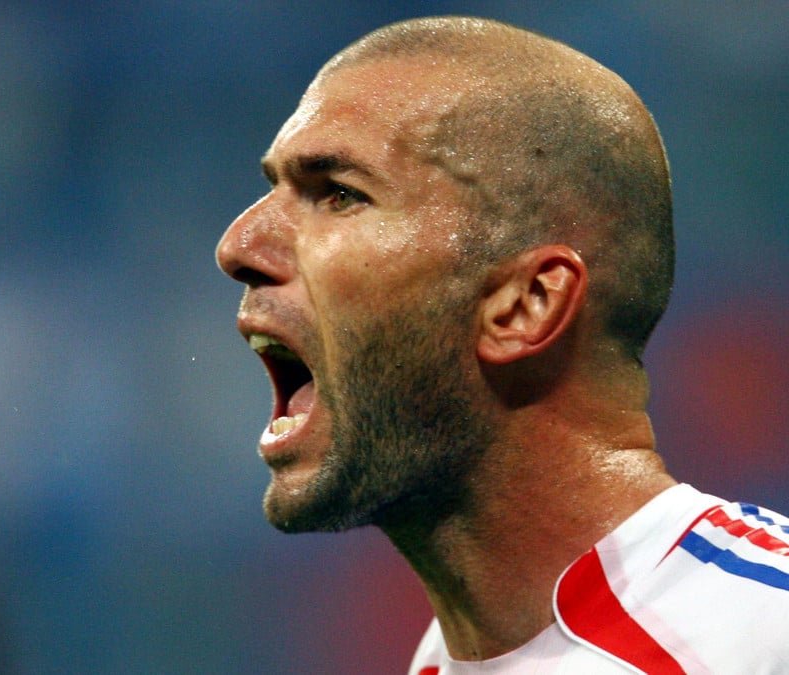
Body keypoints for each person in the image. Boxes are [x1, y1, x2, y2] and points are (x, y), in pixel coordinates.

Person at [214, 15, 789, 674]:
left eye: (339, 194)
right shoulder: (446, 658)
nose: (238, 247)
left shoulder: (761, 633)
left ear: (525, 304)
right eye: (275, 189)